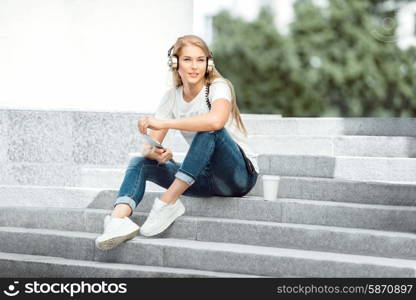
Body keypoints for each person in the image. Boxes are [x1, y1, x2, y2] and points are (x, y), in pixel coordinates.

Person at [95, 34, 259, 251]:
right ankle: (117, 221)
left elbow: (216, 120)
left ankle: (167, 203)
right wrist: (154, 152)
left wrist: (167, 122)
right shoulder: (171, 97)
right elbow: (150, 144)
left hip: (239, 176)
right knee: (139, 162)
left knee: (210, 130)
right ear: (175, 63)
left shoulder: (218, 87)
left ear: (208, 64)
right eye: (187, 60)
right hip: (202, 178)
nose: (194, 67)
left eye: (200, 60)